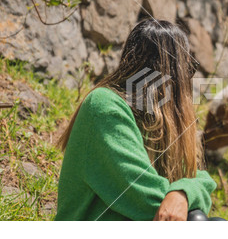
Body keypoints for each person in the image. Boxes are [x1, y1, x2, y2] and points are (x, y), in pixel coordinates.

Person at [55, 19, 216, 221]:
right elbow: (151, 201)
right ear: (170, 73)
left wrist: (183, 192)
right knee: (197, 220)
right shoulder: (105, 107)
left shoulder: (155, 122)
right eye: (188, 69)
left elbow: (200, 178)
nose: (189, 80)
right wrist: (182, 195)